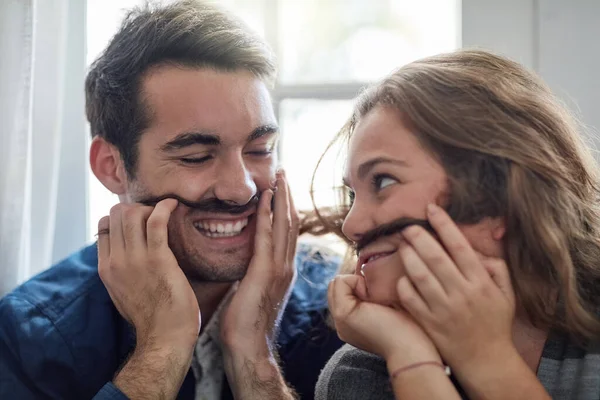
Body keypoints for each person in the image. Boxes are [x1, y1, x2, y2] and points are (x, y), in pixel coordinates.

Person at [0, 1, 343, 399]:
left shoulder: (339, 312)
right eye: (196, 157)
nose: (241, 189)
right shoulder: (30, 339)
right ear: (112, 167)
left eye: (260, 149)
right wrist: (162, 350)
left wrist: (254, 357)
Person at [313, 49, 600, 399]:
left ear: (497, 195)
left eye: (383, 181)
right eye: (352, 194)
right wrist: (408, 354)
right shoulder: (360, 374)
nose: (351, 225)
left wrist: (484, 360)